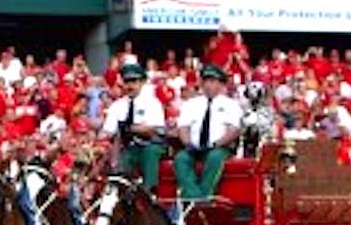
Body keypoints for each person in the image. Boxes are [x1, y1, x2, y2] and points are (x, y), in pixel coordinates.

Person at [173, 64, 244, 199]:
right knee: (181, 158)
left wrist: (216, 144)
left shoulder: (230, 104)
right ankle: (194, 197)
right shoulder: (191, 104)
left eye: (212, 81)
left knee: (215, 157)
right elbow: (183, 127)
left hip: (218, 147)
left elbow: (233, 130)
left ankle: (204, 196)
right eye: (205, 81)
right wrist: (188, 143)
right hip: (194, 147)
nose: (207, 85)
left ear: (221, 84)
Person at [100, 63, 167, 190]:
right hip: (129, 146)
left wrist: (128, 128)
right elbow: (107, 132)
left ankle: (150, 192)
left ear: (142, 82)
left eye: (133, 81)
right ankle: (118, 195)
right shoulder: (117, 106)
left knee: (150, 152)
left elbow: (152, 130)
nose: (129, 86)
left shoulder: (152, 103)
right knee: (119, 161)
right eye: (126, 81)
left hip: (151, 144)